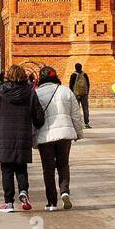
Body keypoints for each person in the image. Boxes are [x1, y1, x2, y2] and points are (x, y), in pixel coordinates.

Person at [0, 66, 45, 213]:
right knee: (21, 167)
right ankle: (23, 191)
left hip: (3, 136)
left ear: (7, 76)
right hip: (22, 135)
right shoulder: (30, 93)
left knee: (6, 170)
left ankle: (9, 202)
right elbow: (39, 118)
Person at [35, 66, 85, 211]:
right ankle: (64, 192)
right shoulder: (65, 91)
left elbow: (33, 118)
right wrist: (78, 133)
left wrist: (33, 139)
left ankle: (51, 202)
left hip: (46, 136)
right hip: (65, 134)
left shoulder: (37, 94)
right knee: (63, 164)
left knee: (48, 169)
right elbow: (76, 114)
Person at [69, 63, 92, 129]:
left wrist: (72, 93)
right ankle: (86, 123)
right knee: (85, 109)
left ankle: (77, 123)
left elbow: (71, 85)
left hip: (76, 94)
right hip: (84, 94)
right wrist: (87, 92)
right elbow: (88, 84)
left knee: (76, 109)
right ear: (81, 67)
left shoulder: (73, 75)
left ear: (75, 67)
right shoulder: (85, 74)